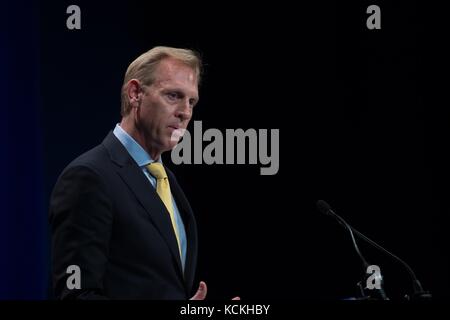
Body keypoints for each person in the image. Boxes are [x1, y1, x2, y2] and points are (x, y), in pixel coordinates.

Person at [49, 46, 234, 300]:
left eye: (192, 101)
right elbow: (76, 296)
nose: (186, 112)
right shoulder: (89, 177)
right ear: (135, 93)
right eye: (173, 96)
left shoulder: (166, 179)